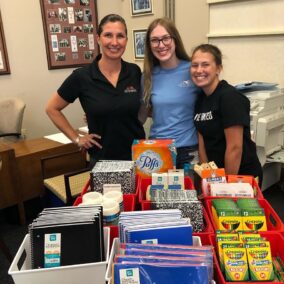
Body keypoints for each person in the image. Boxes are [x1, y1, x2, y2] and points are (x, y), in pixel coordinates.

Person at [46, 14, 145, 167]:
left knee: (139, 192)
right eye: (108, 35)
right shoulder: (82, 76)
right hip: (103, 161)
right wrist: (77, 139)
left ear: (126, 40)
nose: (114, 42)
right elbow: (52, 108)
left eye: (120, 36)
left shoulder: (134, 71)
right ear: (98, 38)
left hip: (138, 157)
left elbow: (139, 109)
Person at [191, 44, 262, 183]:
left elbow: (235, 148)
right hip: (217, 175)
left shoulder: (230, 98)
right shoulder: (200, 98)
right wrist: (209, 177)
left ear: (218, 68)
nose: (199, 70)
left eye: (205, 64)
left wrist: (226, 186)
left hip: (241, 176)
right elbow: (202, 140)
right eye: (195, 65)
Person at [142, 17, 199, 169]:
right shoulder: (147, 76)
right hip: (157, 151)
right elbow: (143, 113)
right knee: (155, 193)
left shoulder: (192, 70)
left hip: (188, 150)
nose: (161, 45)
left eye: (165, 38)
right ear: (149, 45)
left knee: (189, 193)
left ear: (175, 39)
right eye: (154, 40)